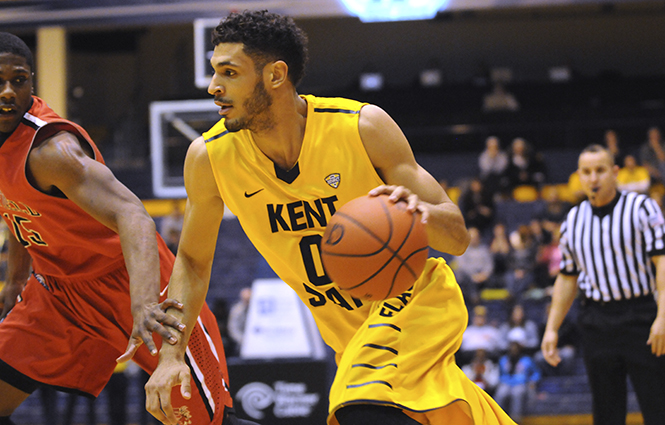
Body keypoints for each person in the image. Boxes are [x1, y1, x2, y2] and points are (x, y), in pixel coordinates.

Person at [146, 10, 515, 425]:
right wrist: (170, 355)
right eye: (216, 72)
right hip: (351, 337)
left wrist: (419, 214)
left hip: (416, 307)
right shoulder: (209, 159)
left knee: (362, 405)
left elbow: (458, 238)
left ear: (275, 75)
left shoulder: (362, 127)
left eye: (229, 73)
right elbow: (192, 263)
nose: (214, 86)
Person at [0, 32, 238, 425]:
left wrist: (143, 302)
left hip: (130, 280)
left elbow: (133, 215)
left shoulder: (51, 152)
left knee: (200, 420)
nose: (8, 91)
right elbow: (18, 207)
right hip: (58, 292)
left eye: (19, 79)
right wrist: (15, 280)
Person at [541, 144, 665, 425]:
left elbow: (662, 263)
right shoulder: (573, 220)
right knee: (606, 414)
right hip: (596, 321)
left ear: (615, 172)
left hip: (641, 316)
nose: (593, 178)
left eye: (600, 170)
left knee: (658, 406)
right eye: (586, 172)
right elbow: (567, 277)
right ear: (579, 176)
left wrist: (663, 315)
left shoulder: (641, 207)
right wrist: (551, 328)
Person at [494, 328, 540, 424]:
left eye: (516, 347)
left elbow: (536, 373)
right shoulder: (504, 360)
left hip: (521, 383)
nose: (513, 349)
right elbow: (500, 374)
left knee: (517, 393)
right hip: (506, 383)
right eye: (512, 347)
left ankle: (516, 420)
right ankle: (496, 419)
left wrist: (532, 381)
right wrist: (502, 381)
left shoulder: (526, 360)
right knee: (501, 393)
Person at [454, 227, 495, 306]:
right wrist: (472, 276)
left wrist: (484, 275)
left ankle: (475, 298)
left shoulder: (484, 250)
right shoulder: (462, 249)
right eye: (471, 237)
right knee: (460, 276)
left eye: (475, 237)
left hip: (482, 277)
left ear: (479, 238)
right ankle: (473, 298)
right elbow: (462, 265)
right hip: (468, 276)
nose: (473, 239)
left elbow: (489, 265)